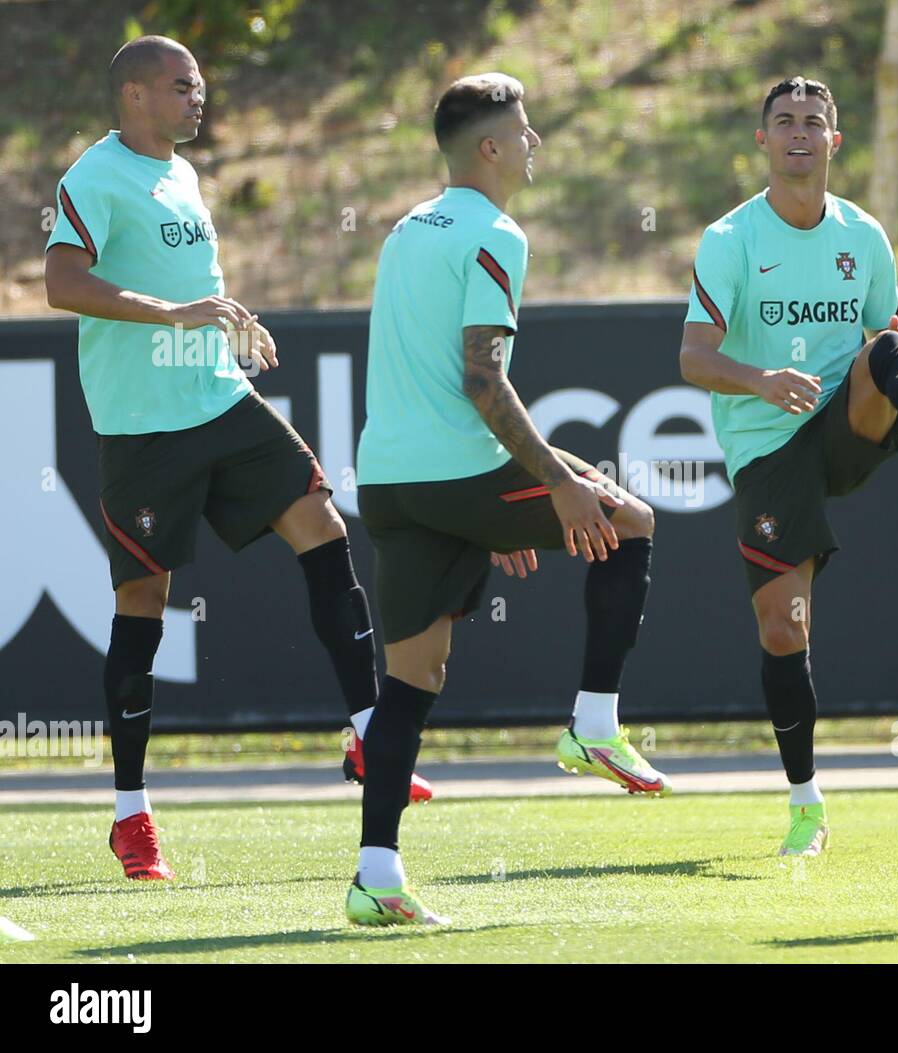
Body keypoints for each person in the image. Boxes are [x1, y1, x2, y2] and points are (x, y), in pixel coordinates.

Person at [43, 35, 427, 883]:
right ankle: (131, 812)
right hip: (143, 426)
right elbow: (63, 284)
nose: (197, 99)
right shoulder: (93, 177)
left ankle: (367, 731)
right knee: (144, 598)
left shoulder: (182, 175)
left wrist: (224, 317)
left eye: (200, 87)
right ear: (136, 95)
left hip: (221, 398)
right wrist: (177, 313)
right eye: (183, 87)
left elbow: (192, 289)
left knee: (324, 523)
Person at [346, 74, 668, 926]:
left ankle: (376, 874)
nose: (536, 145)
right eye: (525, 132)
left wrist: (496, 509)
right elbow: (483, 381)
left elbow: (445, 388)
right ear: (489, 147)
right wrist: (558, 484)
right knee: (630, 522)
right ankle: (594, 723)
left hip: (388, 481)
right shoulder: (497, 233)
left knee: (412, 681)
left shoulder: (405, 230)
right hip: (459, 471)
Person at [679, 77, 898, 858]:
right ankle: (806, 804)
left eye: (813, 122)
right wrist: (761, 381)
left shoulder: (865, 236)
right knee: (785, 629)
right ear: (761, 140)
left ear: (834, 141)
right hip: (768, 444)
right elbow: (692, 357)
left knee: (888, 347)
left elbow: (890, 330)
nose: (798, 134)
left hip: (848, 425)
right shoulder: (730, 240)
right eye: (783, 122)